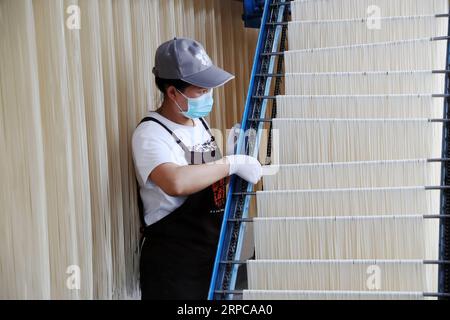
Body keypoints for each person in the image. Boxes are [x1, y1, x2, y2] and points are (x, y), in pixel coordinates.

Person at [132, 37, 262, 300]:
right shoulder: (150, 134)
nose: (208, 96)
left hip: (208, 257)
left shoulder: (198, 121)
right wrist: (230, 163)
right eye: (200, 91)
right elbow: (176, 182)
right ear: (172, 92)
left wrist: (234, 154)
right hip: (174, 268)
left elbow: (205, 175)